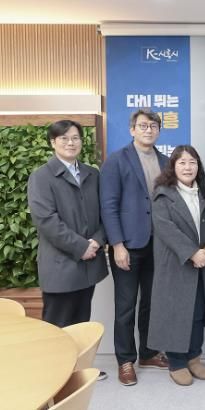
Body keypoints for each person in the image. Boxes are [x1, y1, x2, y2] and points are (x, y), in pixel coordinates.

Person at [27, 120, 108, 380]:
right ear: (53, 142)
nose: (70, 143)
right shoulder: (41, 176)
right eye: (64, 138)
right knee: (58, 324)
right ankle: (54, 376)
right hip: (61, 265)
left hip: (89, 263)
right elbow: (46, 221)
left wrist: (97, 241)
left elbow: (105, 213)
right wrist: (81, 246)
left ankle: (78, 371)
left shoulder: (92, 174)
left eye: (75, 138)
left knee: (82, 321)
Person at [100, 109, 169, 386]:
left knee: (151, 303)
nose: (148, 130)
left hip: (158, 245)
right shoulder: (116, 160)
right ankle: (125, 360)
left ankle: (148, 353)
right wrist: (117, 245)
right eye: (143, 125)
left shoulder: (166, 161)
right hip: (128, 245)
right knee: (126, 306)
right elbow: (108, 206)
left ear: (159, 131)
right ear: (132, 130)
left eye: (153, 126)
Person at [147, 145, 205, 386]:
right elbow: (165, 228)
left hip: (204, 264)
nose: (188, 167)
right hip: (176, 264)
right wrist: (192, 253)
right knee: (177, 313)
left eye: (192, 162)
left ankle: (194, 357)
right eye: (182, 162)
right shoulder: (163, 194)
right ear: (173, 166)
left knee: (198, 313)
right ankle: (177, 362)